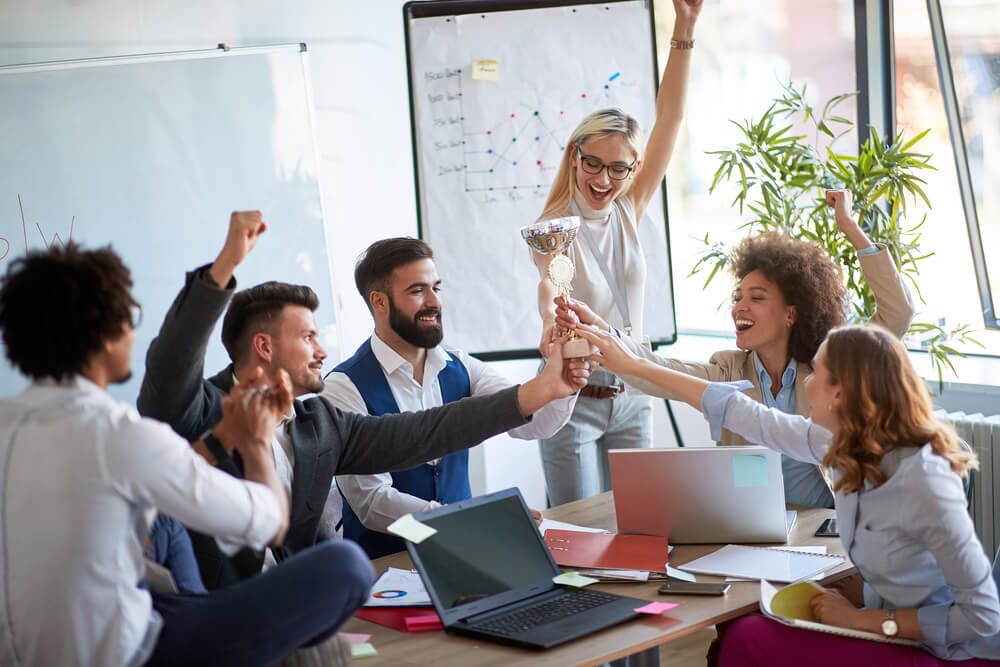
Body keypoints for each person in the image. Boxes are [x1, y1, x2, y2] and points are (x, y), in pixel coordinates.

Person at [137, 211, 584, 589]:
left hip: (299, 602)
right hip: (219, 608)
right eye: (308, 337)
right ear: (265, 347)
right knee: (348, 566)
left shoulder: (318, 423)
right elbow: (171, 363)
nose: (322, 351)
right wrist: (223, 268)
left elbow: (428, 430)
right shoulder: (201, 410)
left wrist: (546, 387)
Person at [0, 243, 375, 667]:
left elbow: (156, 481)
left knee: (161, 529)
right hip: (123, 655)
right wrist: (255, 442)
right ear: (105, 334)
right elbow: (269, 523)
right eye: (132, 317)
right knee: (348, 565)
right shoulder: (119, 433)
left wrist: (220, 440)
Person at [574, 321, 1000, 665]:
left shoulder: (925, 481)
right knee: (741, 633)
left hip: (944, 653)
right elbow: (746, 414)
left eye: (818, 374)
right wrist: (633, 364)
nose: (807, 384)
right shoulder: (846, 444)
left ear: (841, 394)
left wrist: (865, 620)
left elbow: (983, 618)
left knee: (747, 640)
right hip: (891, 630)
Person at [557, 190, 916, 507]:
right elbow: (657, 370)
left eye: (756, 298)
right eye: (738, 297)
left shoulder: (829, 367)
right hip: (749, 527)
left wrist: (850, 227)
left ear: (791, 313)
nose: (738, 308)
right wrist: (601, 328)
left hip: (820, 528)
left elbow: (897, 314)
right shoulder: (728, 370)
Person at [529, 0, 703, 506]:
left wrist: (685, 27)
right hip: (574, 394)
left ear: (633, 169)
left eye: (619, 168)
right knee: (577, 528)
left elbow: (672, 117)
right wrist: (549, 319)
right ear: (575, 156)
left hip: (633, 390)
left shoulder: (629, 207)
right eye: (594, 163)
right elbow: (551, 280)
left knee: (641, 522)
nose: (604, 180)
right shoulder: (553, 226)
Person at [323, 238, 581, 557]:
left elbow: (533, 425)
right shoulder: (343, 387)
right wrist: (469, 521)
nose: (434, 301)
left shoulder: (460, 366)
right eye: (418, 291)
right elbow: (372, 504)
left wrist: (565, 384)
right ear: (379, 301)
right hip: (388, 563)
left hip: (466, 553)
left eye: (436, 288)